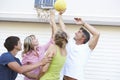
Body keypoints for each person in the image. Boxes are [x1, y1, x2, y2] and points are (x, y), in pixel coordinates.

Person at [21, 11, 55, 80]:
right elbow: (22, 70)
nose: (36, 39)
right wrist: (32, 76)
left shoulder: (41, 48)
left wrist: (52, 27)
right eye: (34, 39)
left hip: (41, 78)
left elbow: (52, 40)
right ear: (30, 43)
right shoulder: (26, 55)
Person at [39, 10, 68, 80]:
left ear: (55, 38)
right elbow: (63, 32)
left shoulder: (53, 48)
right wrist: (59, 17)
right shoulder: (65, 50)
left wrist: (38, 77)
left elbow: (44, 69)